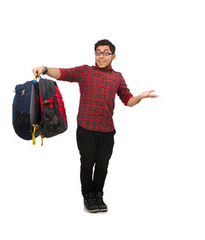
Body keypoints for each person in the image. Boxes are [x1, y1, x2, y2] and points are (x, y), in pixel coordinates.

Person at [32, 39, 158, 213]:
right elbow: (63, 73)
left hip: (107, 131)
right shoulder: (85, 72)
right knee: (87, 163)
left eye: (106, 53)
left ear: (113, 56)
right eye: (98, 52)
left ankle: (98, 194)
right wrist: (45, 69)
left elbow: (128, 101)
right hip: (86, 129)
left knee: (102, 165)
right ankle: (87, 196)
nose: (101, 56)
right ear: (95, 55)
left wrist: (140, 97)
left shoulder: (117, 77)